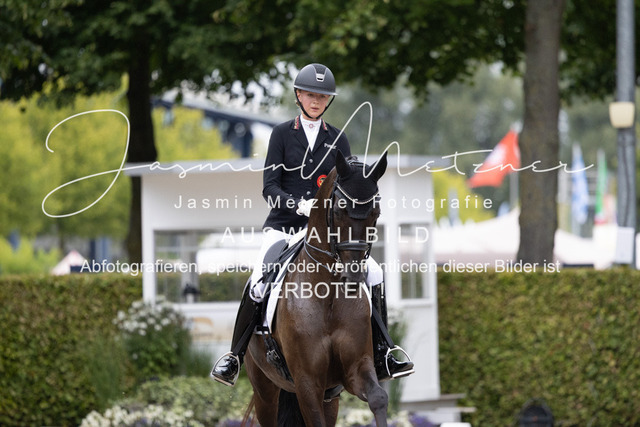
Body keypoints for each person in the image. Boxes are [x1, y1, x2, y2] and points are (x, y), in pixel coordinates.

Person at [210, 63, 413, 387]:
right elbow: (269, 188)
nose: (316, 101)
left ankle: (384, 352)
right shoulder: (281, 135)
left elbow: (349, 183)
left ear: (328, 100)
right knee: (259, 280)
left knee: (374, 273)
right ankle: (234, 357)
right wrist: (298, 204)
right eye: (310, 95)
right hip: (284, 228)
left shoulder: (338, 138)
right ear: (298, 96)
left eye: (322, 96)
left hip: (327, 233)